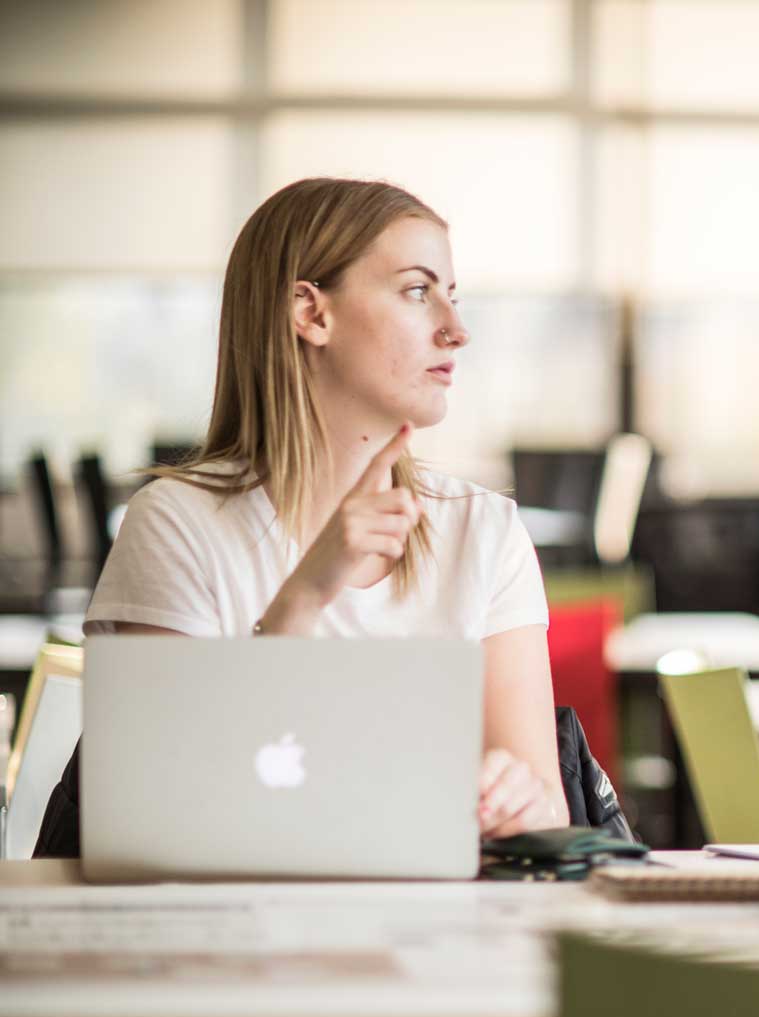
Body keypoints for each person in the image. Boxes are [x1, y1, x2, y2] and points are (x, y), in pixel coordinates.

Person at [83, 177, 565, 840]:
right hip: (242, 935)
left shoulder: (483, 530)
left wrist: (524, 805)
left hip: (442, 931)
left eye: (452, 298)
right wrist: (303, 598)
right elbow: (153, 825)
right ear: (311, 314)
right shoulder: (175, 525)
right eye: (418, 291)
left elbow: (548, 811)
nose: (457, 332)